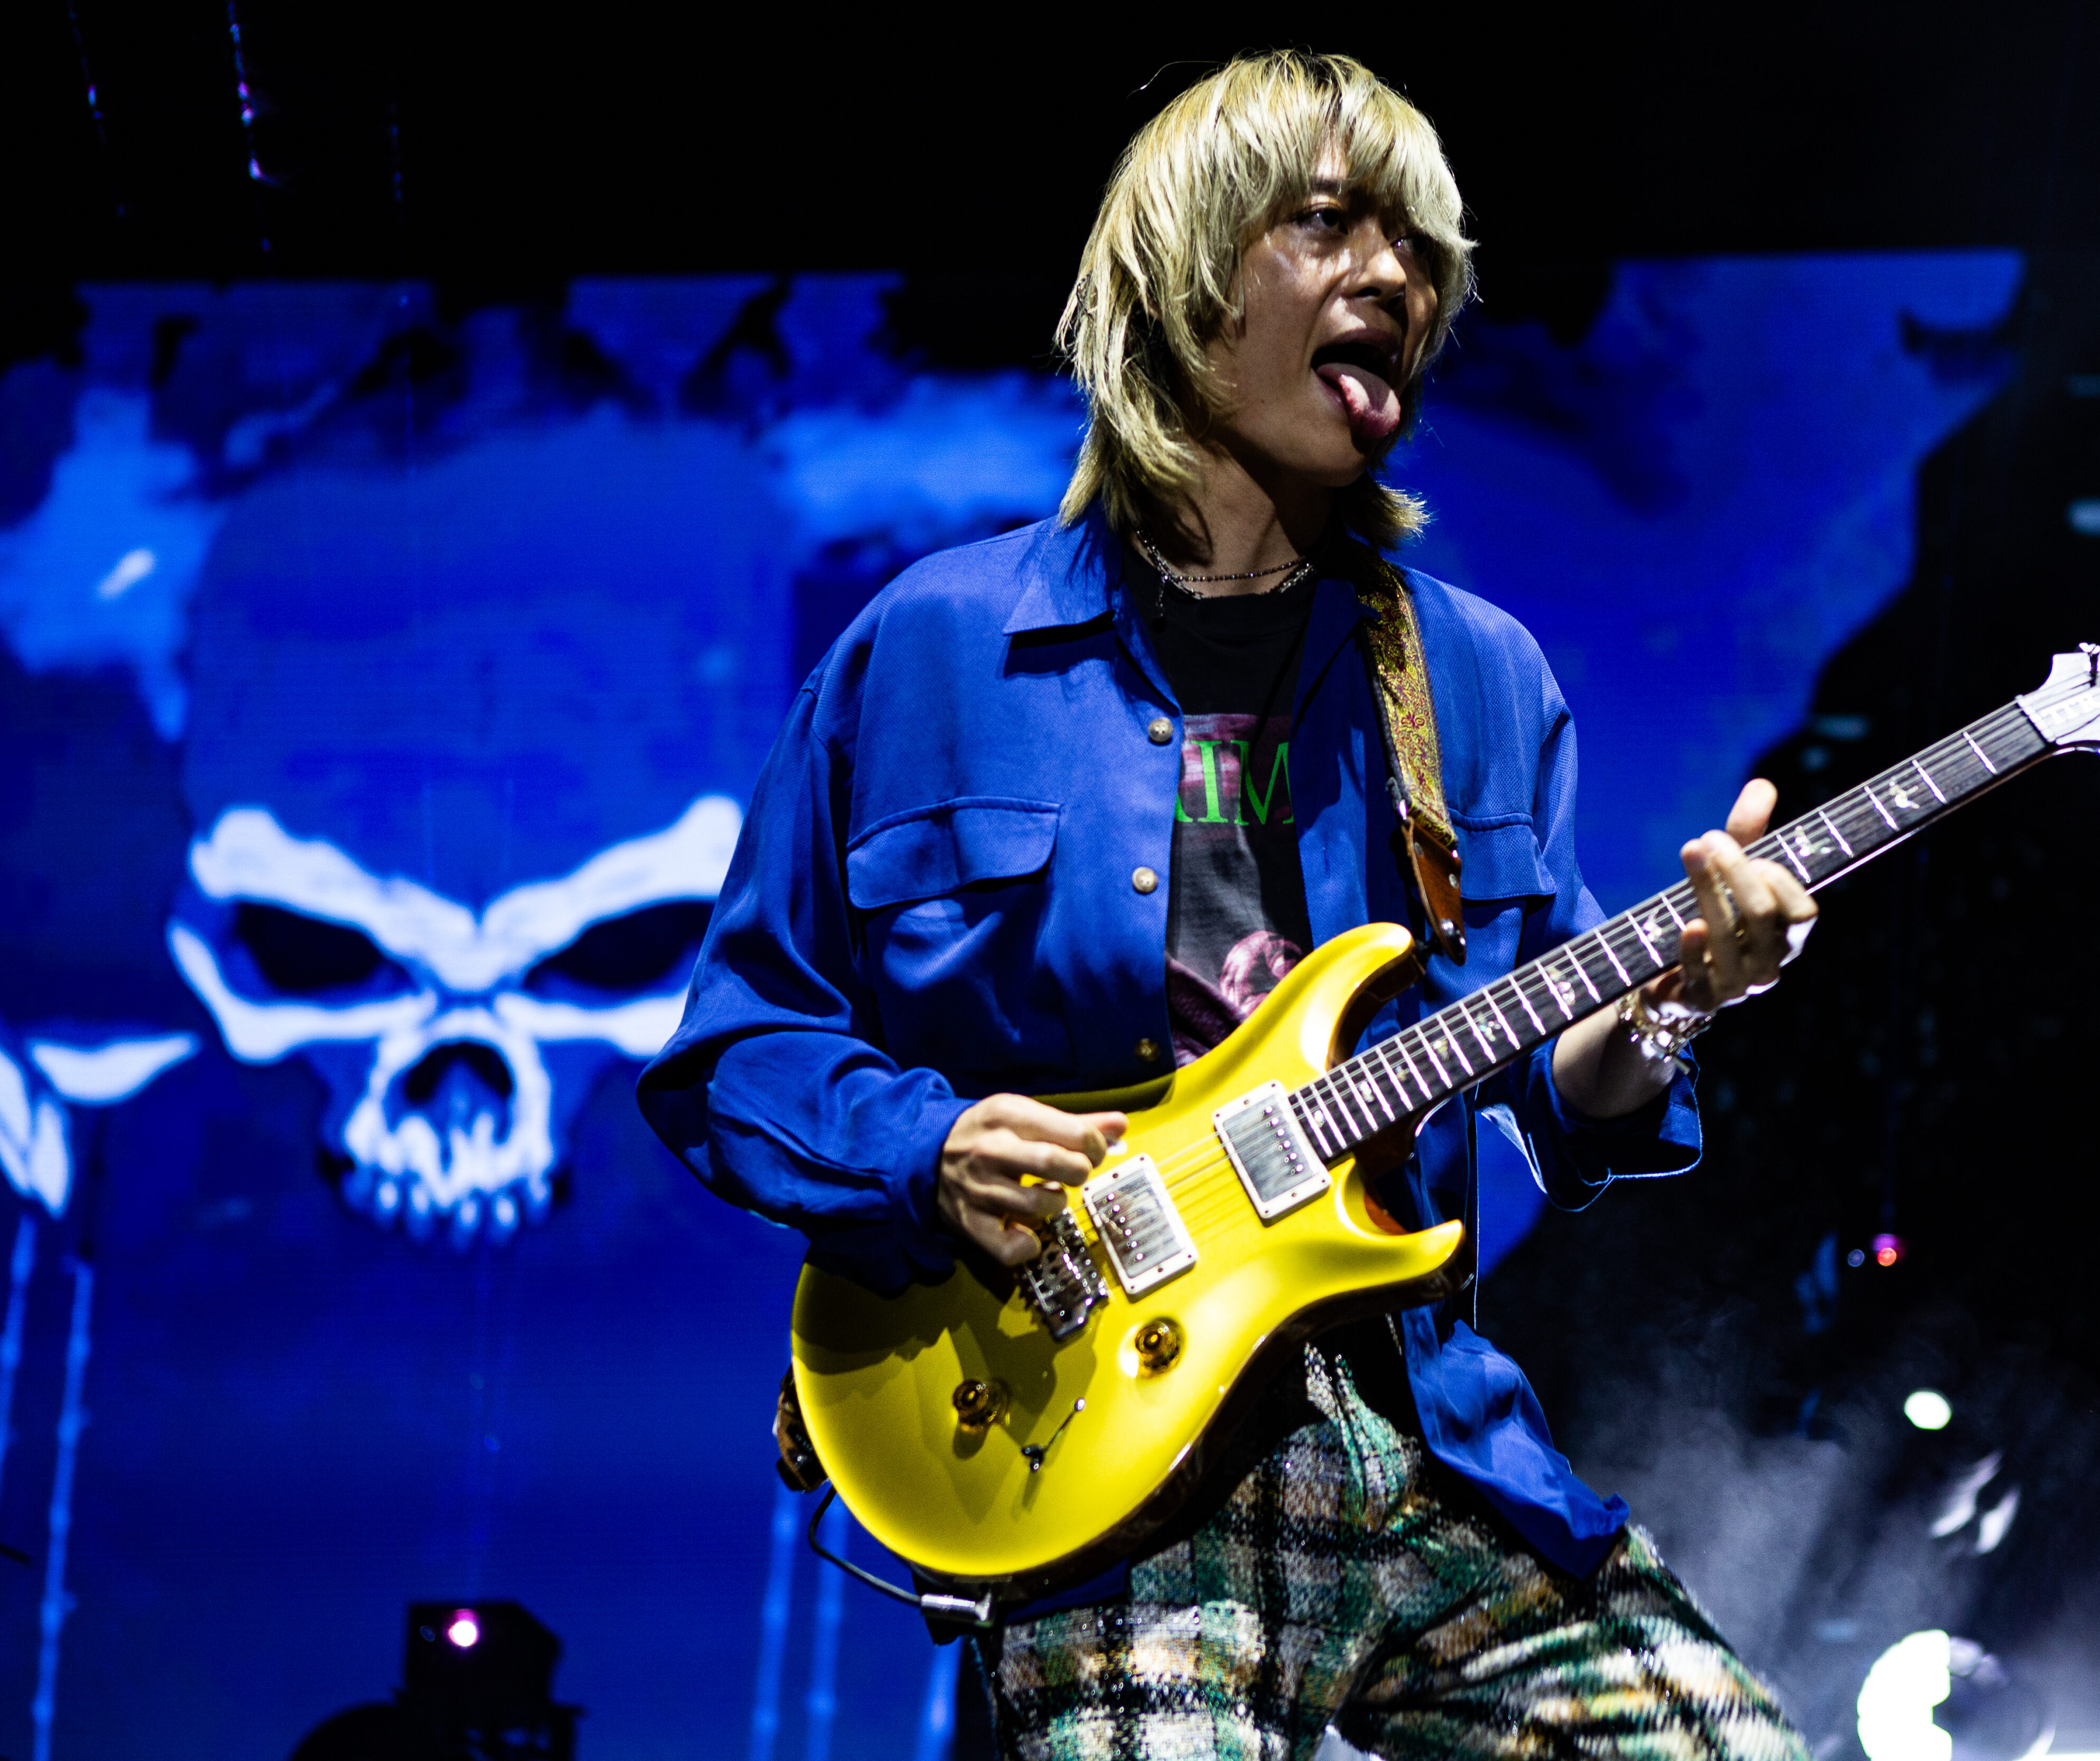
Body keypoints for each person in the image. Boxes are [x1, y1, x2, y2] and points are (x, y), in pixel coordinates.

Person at [639, 49, 1818, 1761]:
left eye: (1420, 251)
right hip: (1100, 1471)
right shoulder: (937, 650)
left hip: (1426, 1440)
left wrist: (1677, 1002)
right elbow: (737, 1053)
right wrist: (928, 1149)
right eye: (1330, 225)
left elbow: (1562, 1087)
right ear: (1185, 284)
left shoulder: (1478, 677)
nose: (1395, 277)